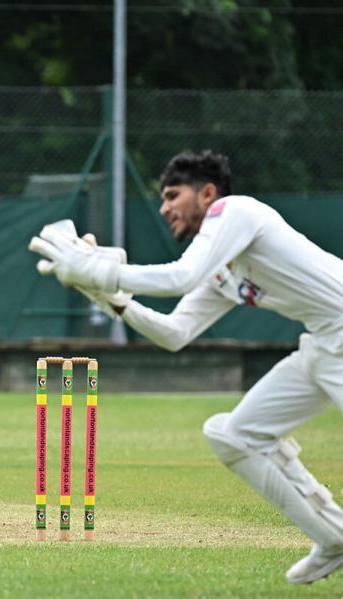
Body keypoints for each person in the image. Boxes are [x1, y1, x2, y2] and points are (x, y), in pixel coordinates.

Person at [29, 150, 343, 584]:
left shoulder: (236, 211)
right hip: (324, 344)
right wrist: (113, 299)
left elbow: (179, 277)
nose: (164, 208)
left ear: (207, 192)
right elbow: (175, 333)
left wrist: (100, 269)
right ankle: (332, 537)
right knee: (232, 435)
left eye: (173, 195)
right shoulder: (221, 272)